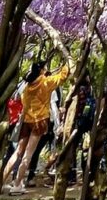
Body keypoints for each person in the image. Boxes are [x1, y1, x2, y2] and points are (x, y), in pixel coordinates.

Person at [4, 59, 69, 191]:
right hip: (39, 122)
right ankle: (17, 185)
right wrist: (67, 62)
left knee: (17, 152)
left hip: (26, 121)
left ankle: (0, 182)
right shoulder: (46, 83)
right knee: (28, 154)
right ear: (41, 71)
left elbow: (23, 102)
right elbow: (63, 76)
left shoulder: (27, 87)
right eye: (44, 68)